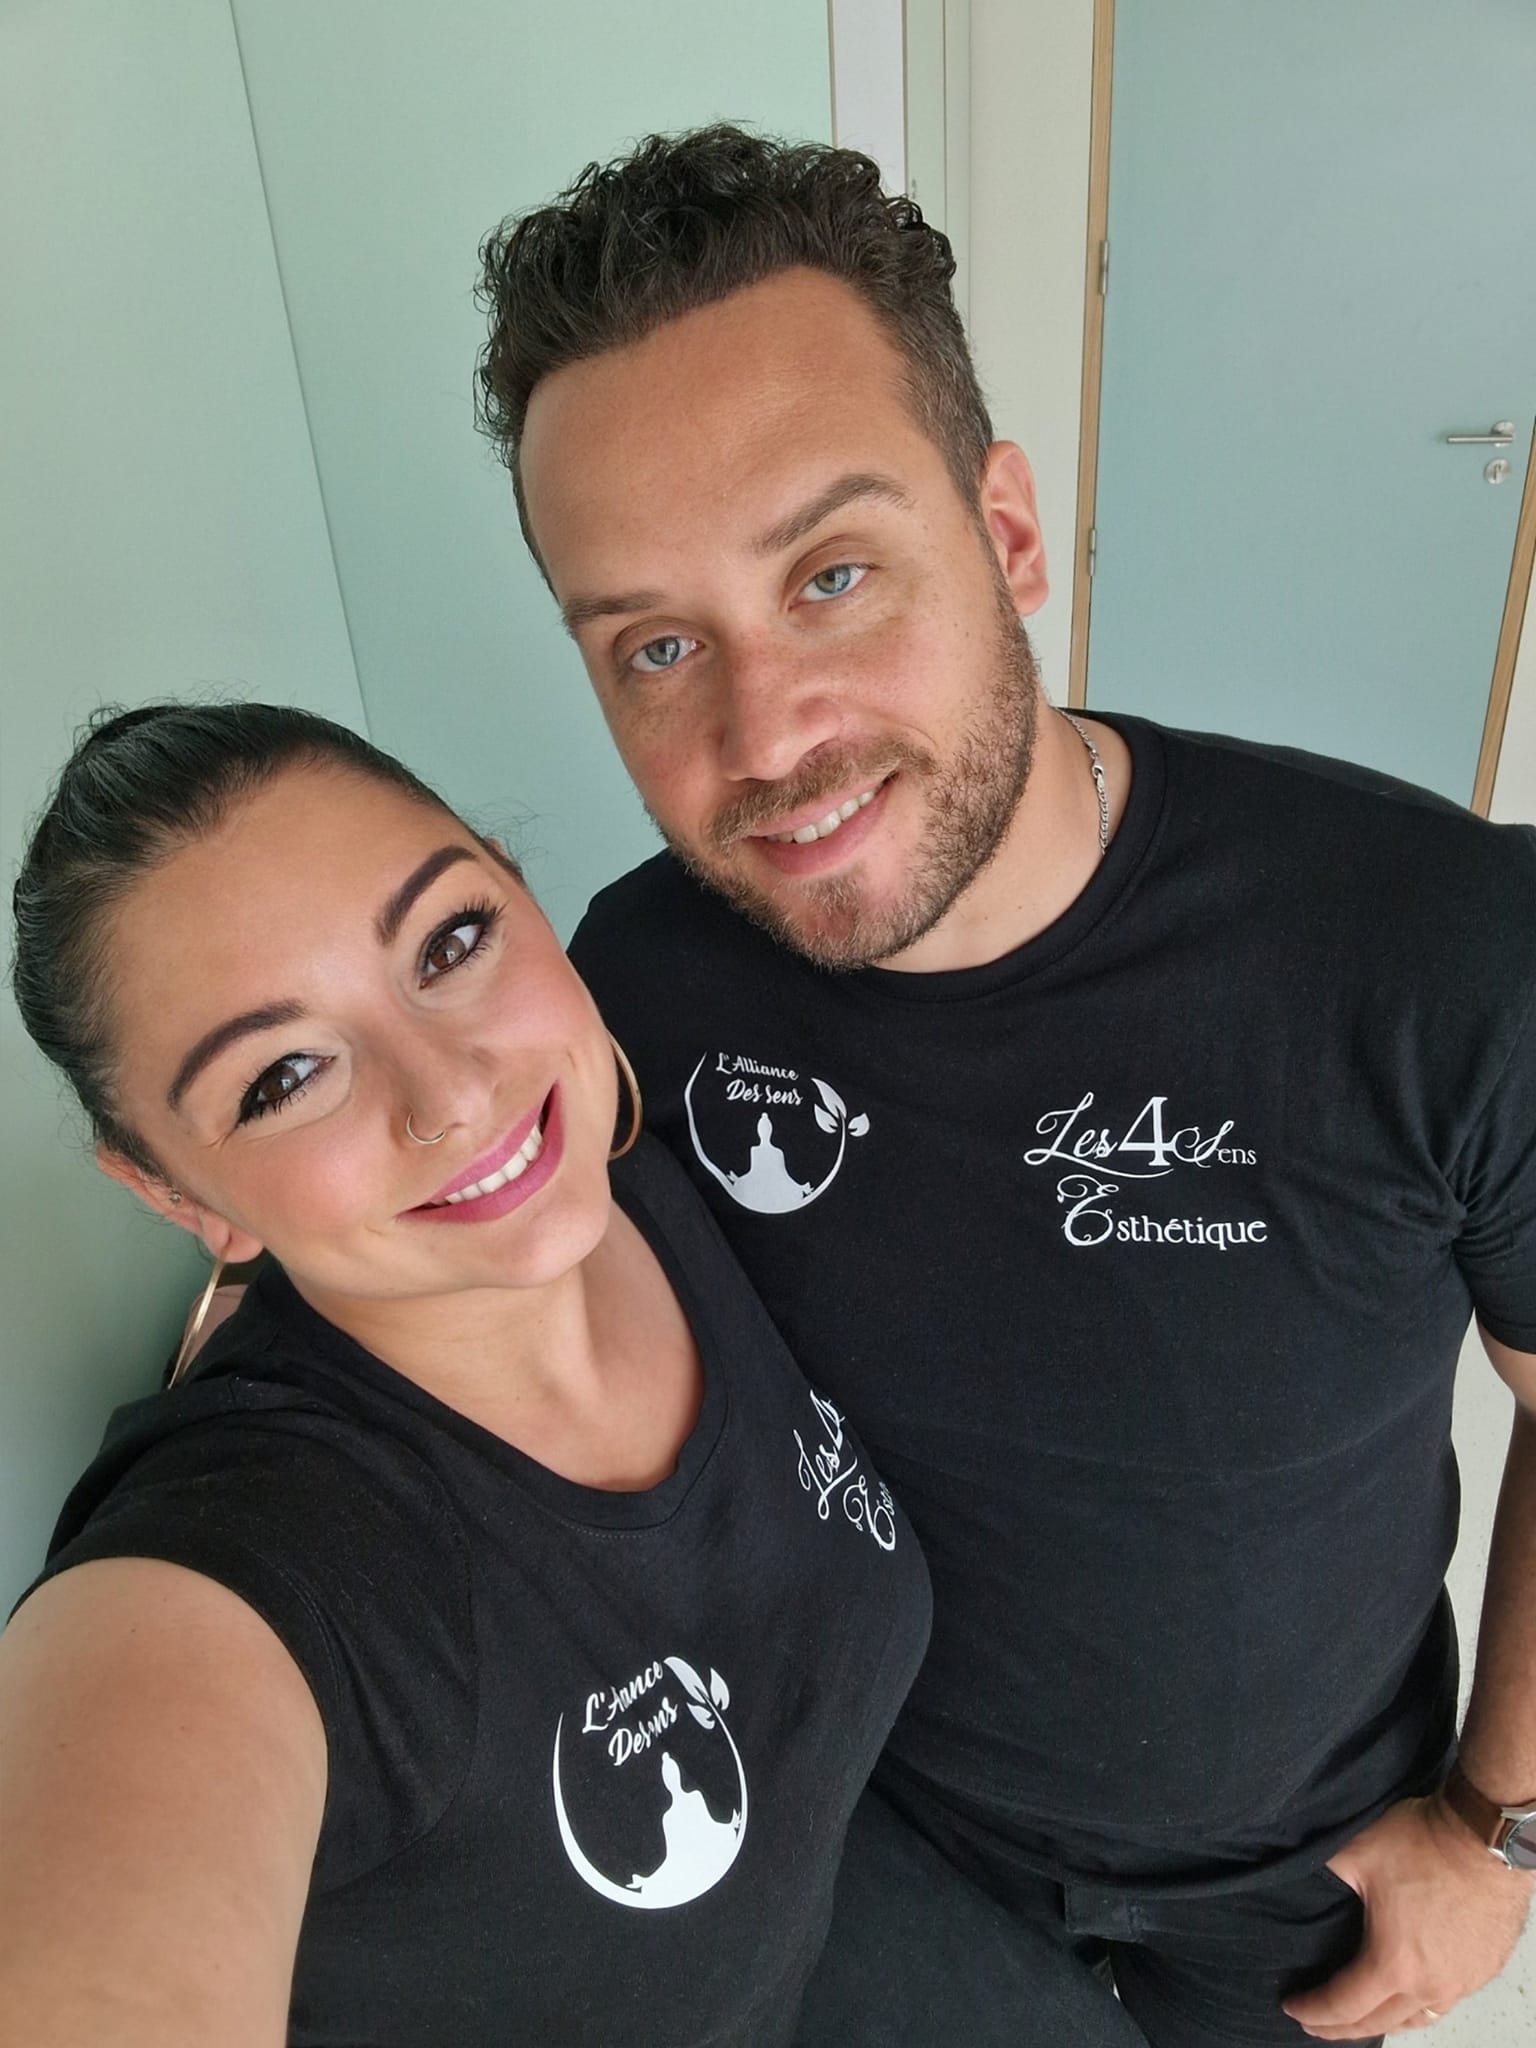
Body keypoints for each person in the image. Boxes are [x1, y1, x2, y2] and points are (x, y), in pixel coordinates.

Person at [474, 127, 1536, 2046]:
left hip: (1300, 1885)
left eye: (834, 572)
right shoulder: (634, 980)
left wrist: (1500, 1829)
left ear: (1010, 532)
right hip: (869, 1843)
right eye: (655, 645)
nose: (766, 735)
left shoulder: (1443, 946)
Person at [0, 701, 940, 2046]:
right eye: (285, 1076)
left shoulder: (643, 1167)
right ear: (174, 1192)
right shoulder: (243, 1566)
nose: (451, 1093)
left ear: (518, 890)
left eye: (449, 942)